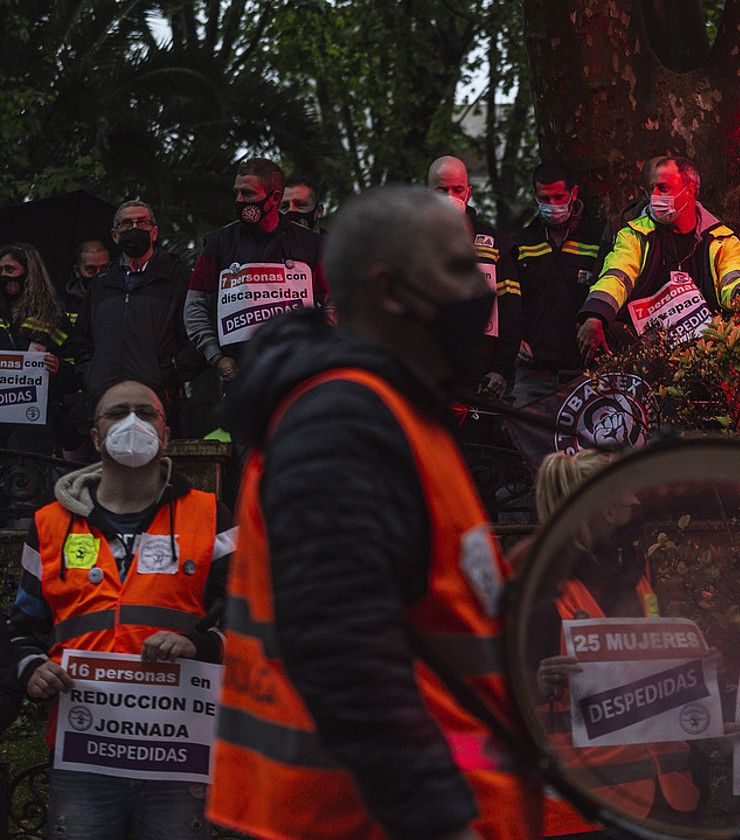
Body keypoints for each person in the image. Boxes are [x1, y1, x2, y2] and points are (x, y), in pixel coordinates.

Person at [206, 185, 533, 839]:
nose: (483, 289)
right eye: (460, 267)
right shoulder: (343, 417)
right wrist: (438, 821)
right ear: (390, 290)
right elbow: (339, 643)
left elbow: (413, 603)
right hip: (354, 822)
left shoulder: (396, 411)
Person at [8, 378, 233, 840]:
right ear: (95, 436)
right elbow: (21, 629)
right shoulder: (48, 525)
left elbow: (254, 621)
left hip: (178, 754)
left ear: (166, 434)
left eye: (146, 413)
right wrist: (31, 667)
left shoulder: (211, 516)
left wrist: (201, 645)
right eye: (117, 412)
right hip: (84, 750)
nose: (132, 422)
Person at [531, 449, 701, 836]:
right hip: (587, 807)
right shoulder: (541, 589)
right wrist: (538, 683)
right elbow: (497, 696)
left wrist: (697, 668)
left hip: (667, 797)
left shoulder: (635, 578)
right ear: (606, 508)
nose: (637, 500)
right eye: (628, 493)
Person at [576, 156, 740, 361]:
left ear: (691, 191)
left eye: (663, 189)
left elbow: (732, 279)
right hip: (643, 341)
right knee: (595, 329)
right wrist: (596, 314)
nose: (654, 197)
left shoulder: (722, 240)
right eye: (652, 190)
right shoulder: (633, 234)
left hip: (704, 346)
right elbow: (616, 276)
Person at [184, 157, 331, 384]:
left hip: (302, 377)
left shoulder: (311, 244)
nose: (240, 200)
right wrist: (216, 357)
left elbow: (339, 299)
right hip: (241, 380)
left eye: (248, 194)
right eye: (238, 193)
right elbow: (194, 304)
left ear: (274, 198)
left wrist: (318, 345)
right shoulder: (219, 244)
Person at [73, 201, 204, 436]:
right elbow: (82, 341)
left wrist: (166, 374)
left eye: (141, 222)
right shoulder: (101, 285)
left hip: (159, 403)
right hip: (106, 403)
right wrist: (92, 374)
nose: (134, 228)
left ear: (154, 232)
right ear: (115, 235)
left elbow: (198, 337)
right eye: (126, 223)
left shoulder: (178, 276)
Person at [513, 162, 607, 405]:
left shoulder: (597, 239)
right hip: (534, 370)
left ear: (573, 193)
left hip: (584, 371)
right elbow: (508, 300)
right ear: (535, 196)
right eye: (545, 198)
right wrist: (513, 339)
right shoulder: (522, 243)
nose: (552, 206)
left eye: (558, 197)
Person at [428, 154, 521, 402]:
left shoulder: (496, 244)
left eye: (457, 189)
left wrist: (501, 368)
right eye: (442, 190)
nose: (451, 196)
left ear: (468, 193)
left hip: (481, 379)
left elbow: (510, 308)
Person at [0, 241, 78, 456]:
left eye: (10, 269)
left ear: (28, 273)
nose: (4, 276)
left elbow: (75, 363)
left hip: (34, 422)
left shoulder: (51, 316)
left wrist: (59, 368)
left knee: (26, 482)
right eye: (0, 271)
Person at [64, 239, 110, 317]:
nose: (99, 274)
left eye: (104, 269)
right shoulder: (64, 304)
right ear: (77, 271)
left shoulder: (121, 298)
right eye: (91, 270)